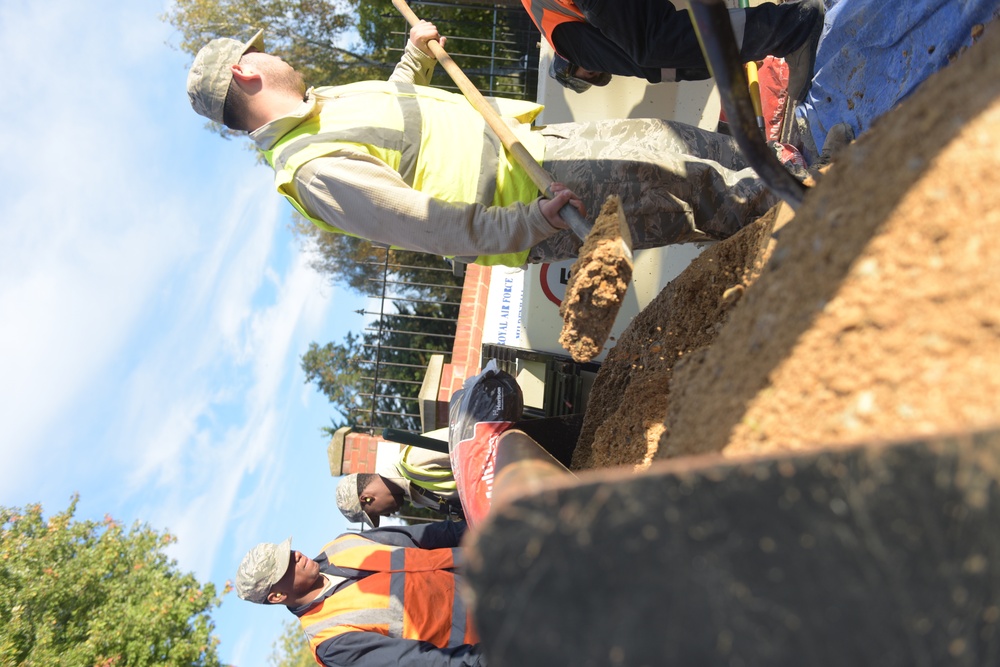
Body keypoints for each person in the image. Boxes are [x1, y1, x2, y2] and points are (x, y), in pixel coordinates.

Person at [187, 21, 778, 267]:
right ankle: (812, 209)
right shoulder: (311, 169)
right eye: (257, 50)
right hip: (543, 199)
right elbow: (430, 226)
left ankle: (792, 171)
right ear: (245, 73)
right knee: (693, 191)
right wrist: (534, 220)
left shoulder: (322, 108)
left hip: (535, 147)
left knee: (677, 143)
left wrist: (415, 52)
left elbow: (398, 108)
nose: (272, 52)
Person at [236, 522, 483, 666]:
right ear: (277, 596)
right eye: (286, 565)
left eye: (289, 552)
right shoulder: (330, 641)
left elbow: (424, 536)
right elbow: (418, 663)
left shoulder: (341, 545)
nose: (296, 555)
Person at [525, 0, 824, 103]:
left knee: (658, 45)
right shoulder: (551, 19)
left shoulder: (567, 41)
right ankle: (790, 29)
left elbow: (656, 59)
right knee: (663, 49)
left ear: (574, 69)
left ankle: (794, 29)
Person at [335, 445, 462, 527]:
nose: (388, 515)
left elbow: (475, 440)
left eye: (377, 514)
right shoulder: (415, 496)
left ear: (367, 498)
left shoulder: (414, 460)